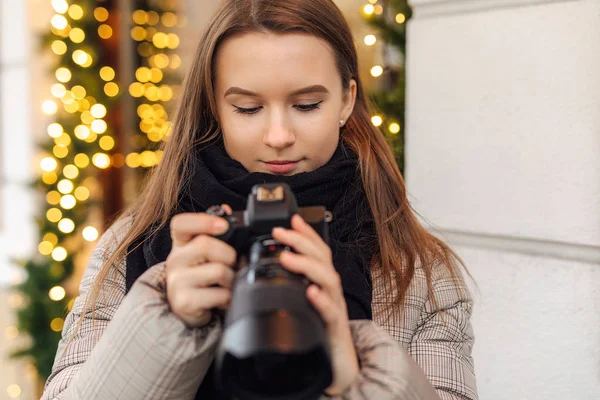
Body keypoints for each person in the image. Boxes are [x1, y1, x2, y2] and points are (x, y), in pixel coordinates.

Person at [42, 0, 478, 399]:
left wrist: (354, 375)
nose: (278, 137)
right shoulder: (133, 246)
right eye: (248, 109)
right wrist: (165, 324)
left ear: (346, 100)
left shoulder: (419, 271)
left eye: (306, 105)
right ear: (215, 105)